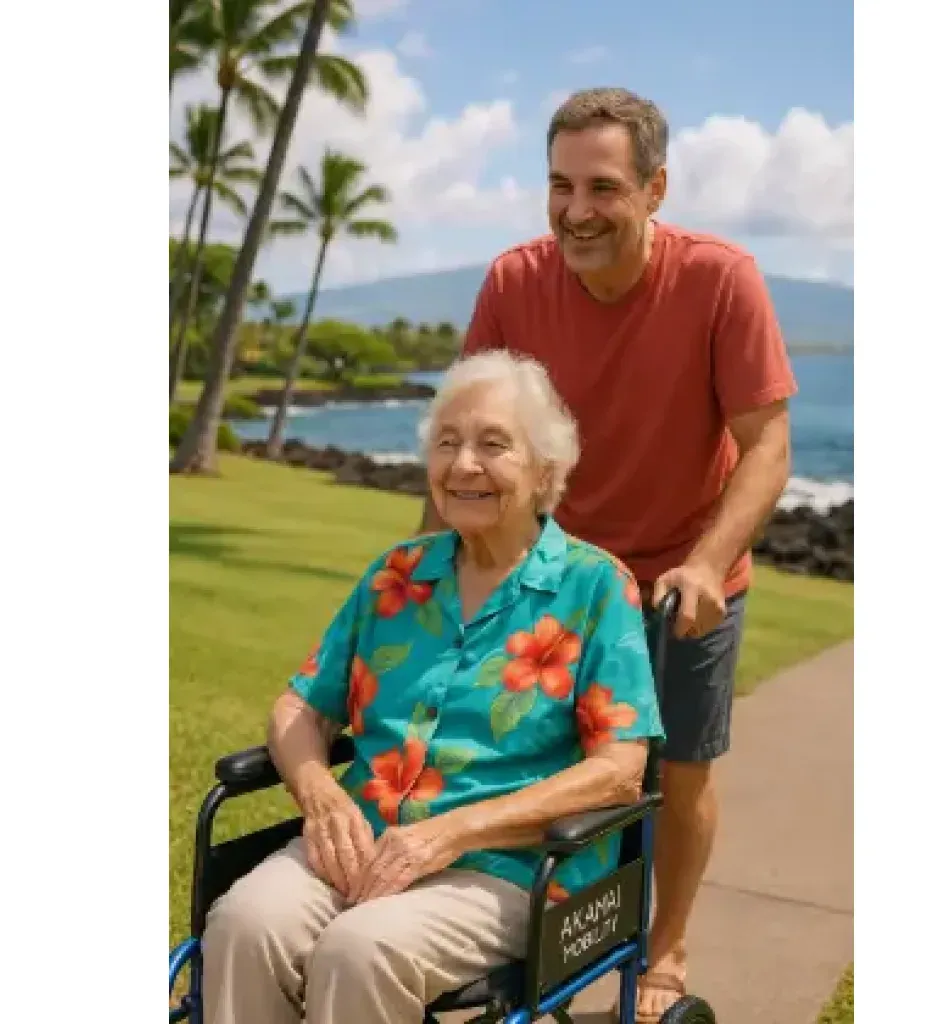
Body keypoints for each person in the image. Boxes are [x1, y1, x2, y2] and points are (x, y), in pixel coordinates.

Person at [418, 87, 798, 1021]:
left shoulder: (721, 278)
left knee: (676, 772)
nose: (576, 211)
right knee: (520, 758)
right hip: (555, 575)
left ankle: (665, 948)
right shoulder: (515, 281)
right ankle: (535, 924)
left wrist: (708, 563)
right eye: (559, 186)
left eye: (602, 187)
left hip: (684, 570)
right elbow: (469, 430)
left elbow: (767, 444)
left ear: (654, 189)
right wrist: (418, 576)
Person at [202, 351, 665, 1024]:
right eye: (447, 442)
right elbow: (302, 703)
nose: (463, 464)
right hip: (360, 843)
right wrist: (320, 794)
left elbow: (621, 772)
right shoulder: (398, 575)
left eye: (492, 444)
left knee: (362, 951)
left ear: (545, 472)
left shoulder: (594, 587)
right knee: (245, 923)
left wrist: (452, 832)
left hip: (507, 867)